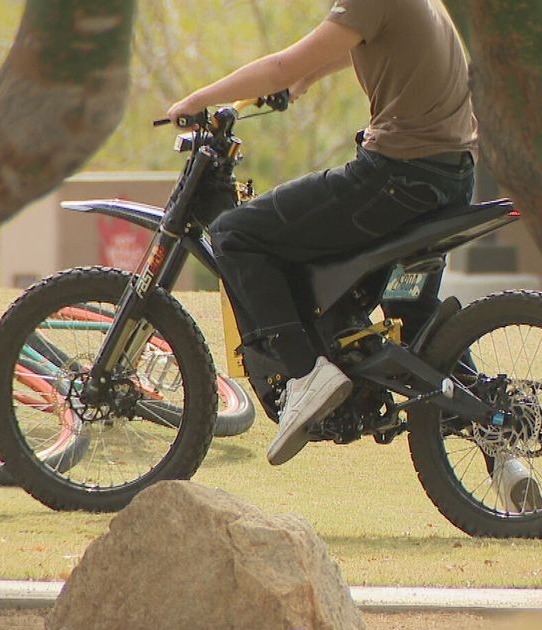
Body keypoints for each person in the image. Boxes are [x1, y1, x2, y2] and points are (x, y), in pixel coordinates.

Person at [166, 0, 478, 466]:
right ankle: (501, 443)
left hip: (396, 178)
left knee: (234, 233)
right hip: (448, 178)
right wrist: (306, 79)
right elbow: (352, 43)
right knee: (413, 315)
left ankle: (305, 372)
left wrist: (197, 101)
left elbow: (281, 65)